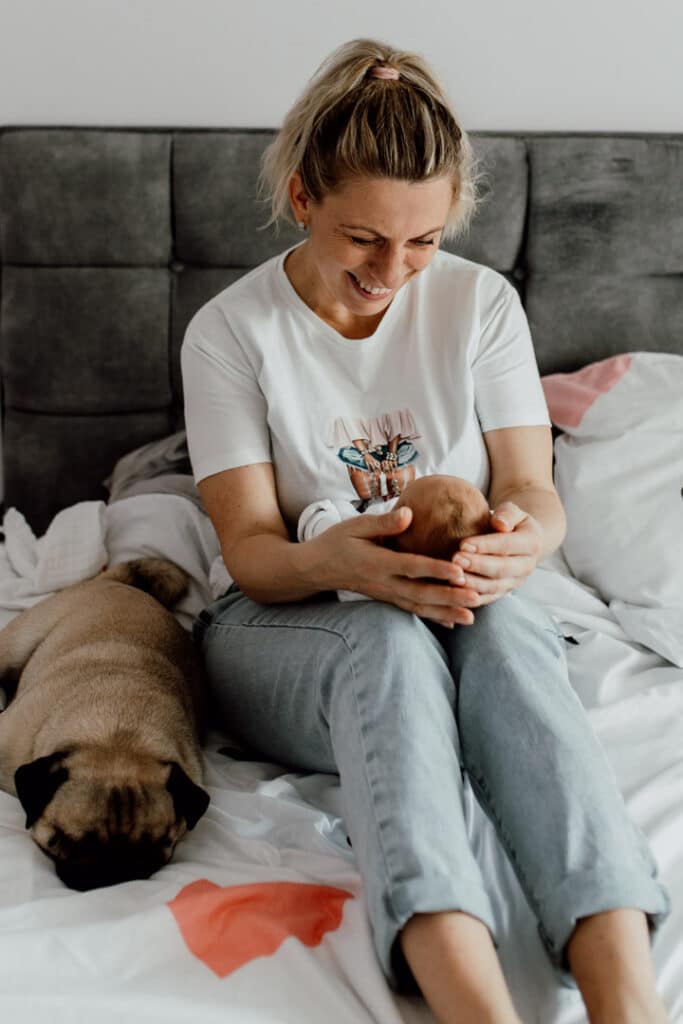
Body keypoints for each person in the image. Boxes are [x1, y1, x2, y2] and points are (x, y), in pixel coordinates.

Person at [181, 39, 670, 1024]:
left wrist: (516, 544)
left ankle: (629, 1004)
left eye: (422, 242)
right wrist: (346, 564)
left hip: (465, 601)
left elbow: (532, 488)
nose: (391, 272)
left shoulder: (479, 304)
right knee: (383, 638)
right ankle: (471, 1007)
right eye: (364, 238)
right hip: (291, 619)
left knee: (512, 634)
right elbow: (252, 553)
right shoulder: (231, 332)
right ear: (302, 194)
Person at [297, 474, 493, 601]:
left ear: (392, 537)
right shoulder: (463, 593)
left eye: (398, 502)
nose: (389, 502)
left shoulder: (360, 570)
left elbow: (316, 525)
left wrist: (328, 513)